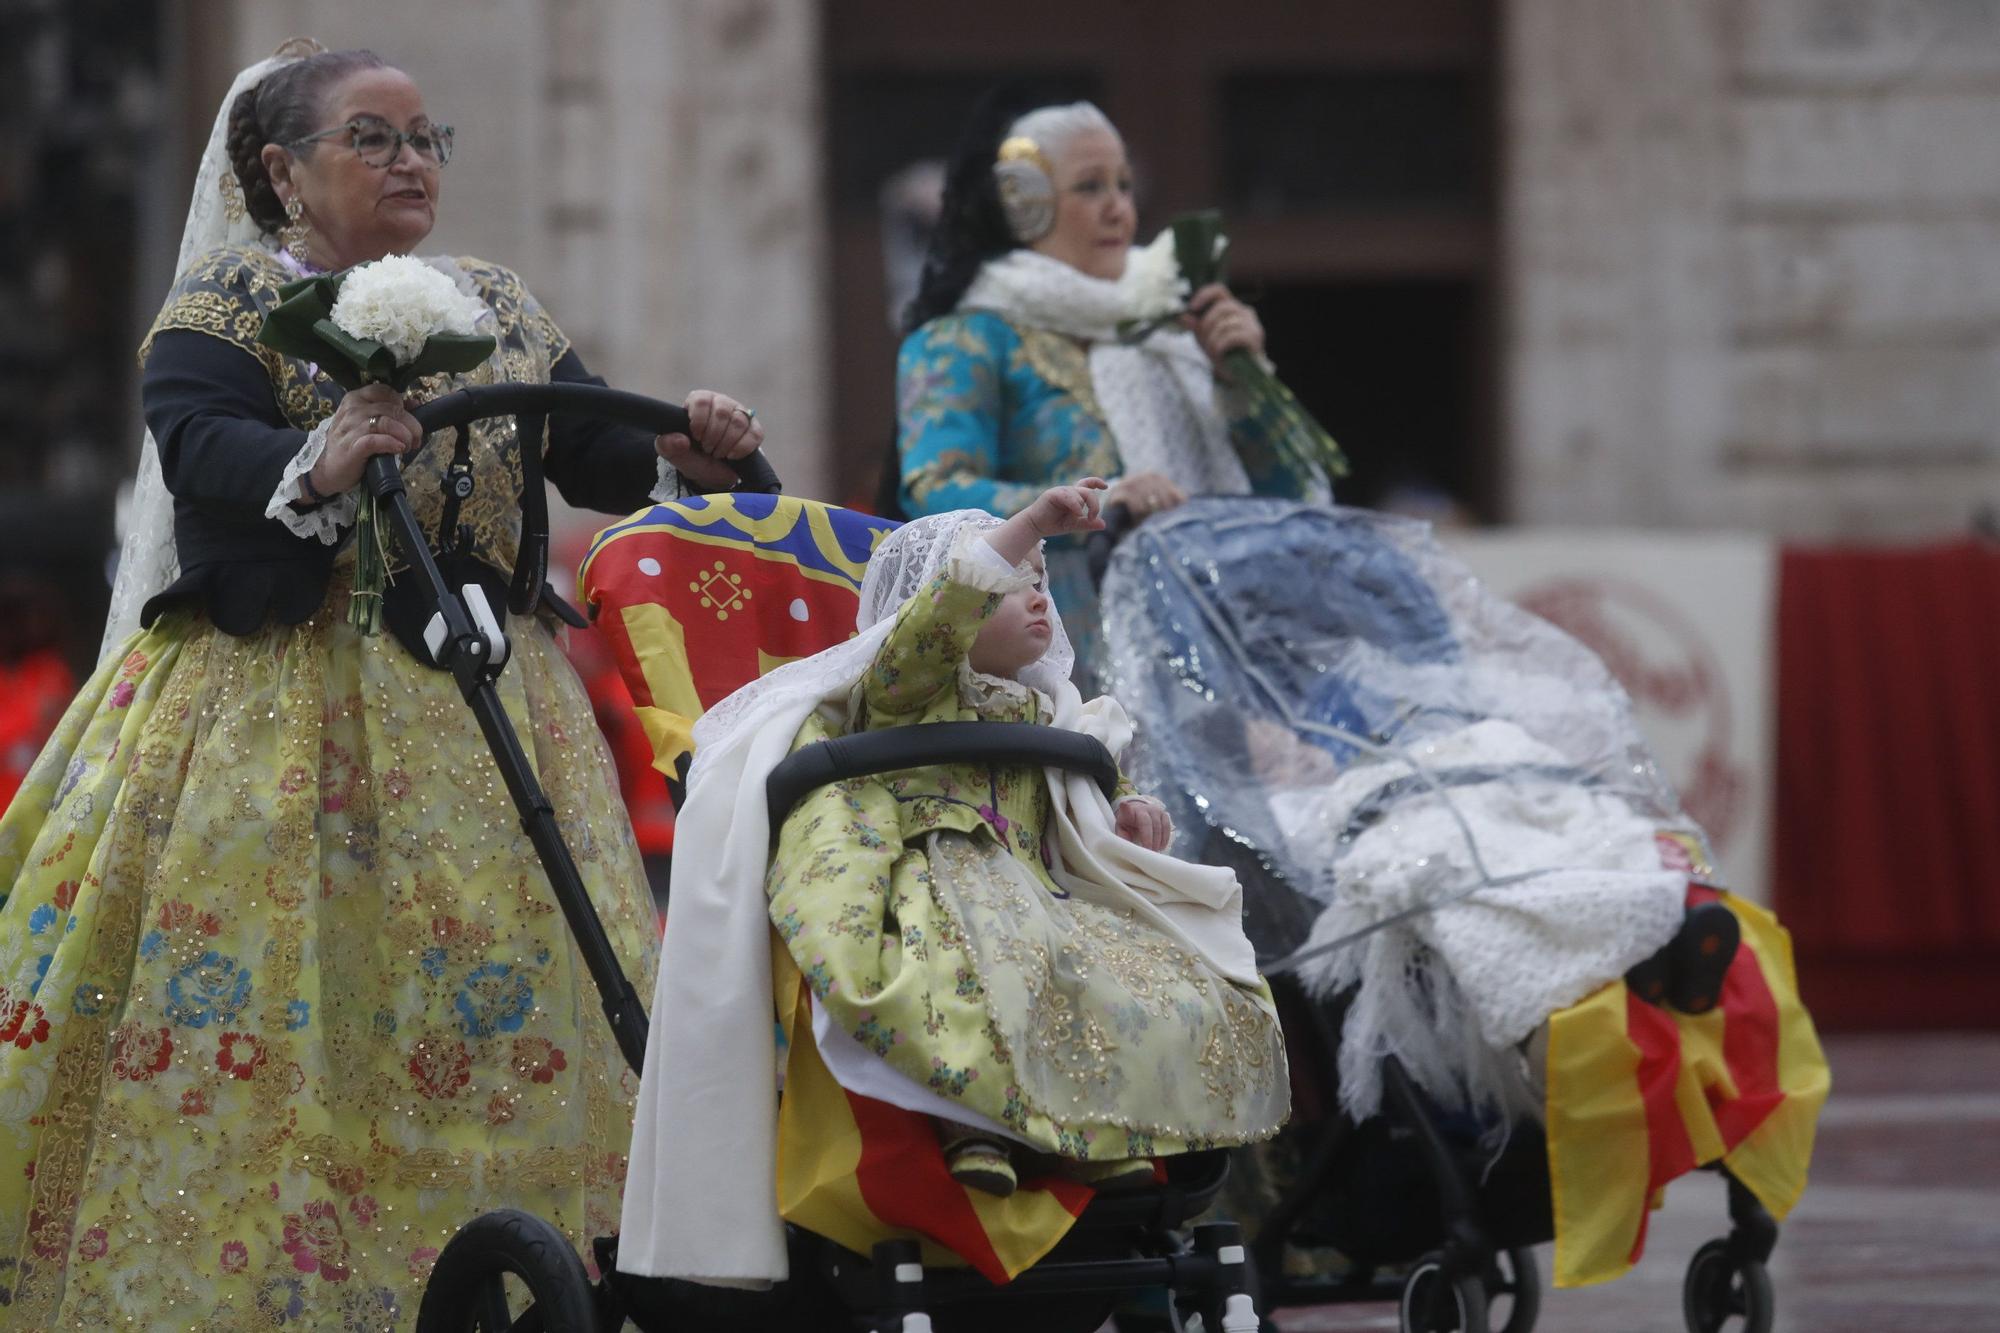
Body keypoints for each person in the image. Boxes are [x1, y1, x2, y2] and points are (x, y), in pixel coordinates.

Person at [0, 42, 762, 1326]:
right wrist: (323, 450)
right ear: (281, 169)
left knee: (493, 998)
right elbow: (201, 450)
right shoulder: (222, 308)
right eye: (373, 137)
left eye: (424, 140)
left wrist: (688, 444)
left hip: (489, 710)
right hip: (277, 708)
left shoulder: (497, 301)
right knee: (290, 999)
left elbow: (589, 444)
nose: (410, 161)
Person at [619, 481, 1289, 1282]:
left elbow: (1084, 799)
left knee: (1138, 974)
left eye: (1042, 579)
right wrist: (1031, 525)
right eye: (1014, 582)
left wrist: (1129, 809)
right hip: (944, 877)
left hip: (1037, 885)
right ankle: (977, 1126)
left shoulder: (1047, 711)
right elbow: (930, 632)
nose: (1037, 594)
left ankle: (1109, 1130)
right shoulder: (908, 690)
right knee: (994, 967)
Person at [889, 97, 1327, 685]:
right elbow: (934, 495)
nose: (1119, 209)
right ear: (1026, 204)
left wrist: (1243, 381)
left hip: (1211, 665)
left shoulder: (1172, 329)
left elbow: (1293, 502)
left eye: (1124, 186)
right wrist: (1100, 500)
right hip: (1056, 675)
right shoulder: (964, 340)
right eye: (1091, 187)